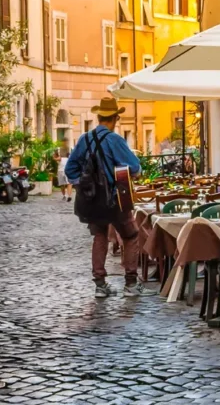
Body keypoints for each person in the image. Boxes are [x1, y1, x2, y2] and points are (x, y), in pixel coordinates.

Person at [65, 97, 142, 298]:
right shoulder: (115, 140)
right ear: (115, 118)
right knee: (130, 235)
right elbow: (134, 167)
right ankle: (131, 283)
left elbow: (70, 169)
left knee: (99, 237)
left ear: (99, 117)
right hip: (116, 198)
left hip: (92, 199)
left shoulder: (84, 139)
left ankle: (100, 285)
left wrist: (84, 185)